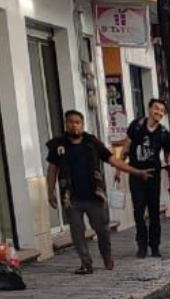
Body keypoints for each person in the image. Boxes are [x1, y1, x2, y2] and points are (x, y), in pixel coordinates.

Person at [46, 110, 148, 274]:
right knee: (77, 231)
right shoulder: (58, 145)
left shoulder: (92, 142)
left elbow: (112, 160)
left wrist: (135, 172)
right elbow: (52, 169)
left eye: (78, 122)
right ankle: (86, 263)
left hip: (95, 195)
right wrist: (50, 191)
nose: (74, 125)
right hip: (71, 198)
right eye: (71, 122)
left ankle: (106, 255)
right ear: (66, 124)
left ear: (83, 124)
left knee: (103, 230)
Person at [121, 98, 170, 258]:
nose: (159, 112)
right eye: (156, 109)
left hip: (153, 176)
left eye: (162, 111)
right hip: (136, 174)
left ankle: (155, 246)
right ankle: (141, 245)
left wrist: (169, 167)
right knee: (138, 211)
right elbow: (126, 146)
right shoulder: (136, 126)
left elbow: (168, 152)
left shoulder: (163, 133)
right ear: (149, 109)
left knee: (154, 212)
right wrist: (119, 167)